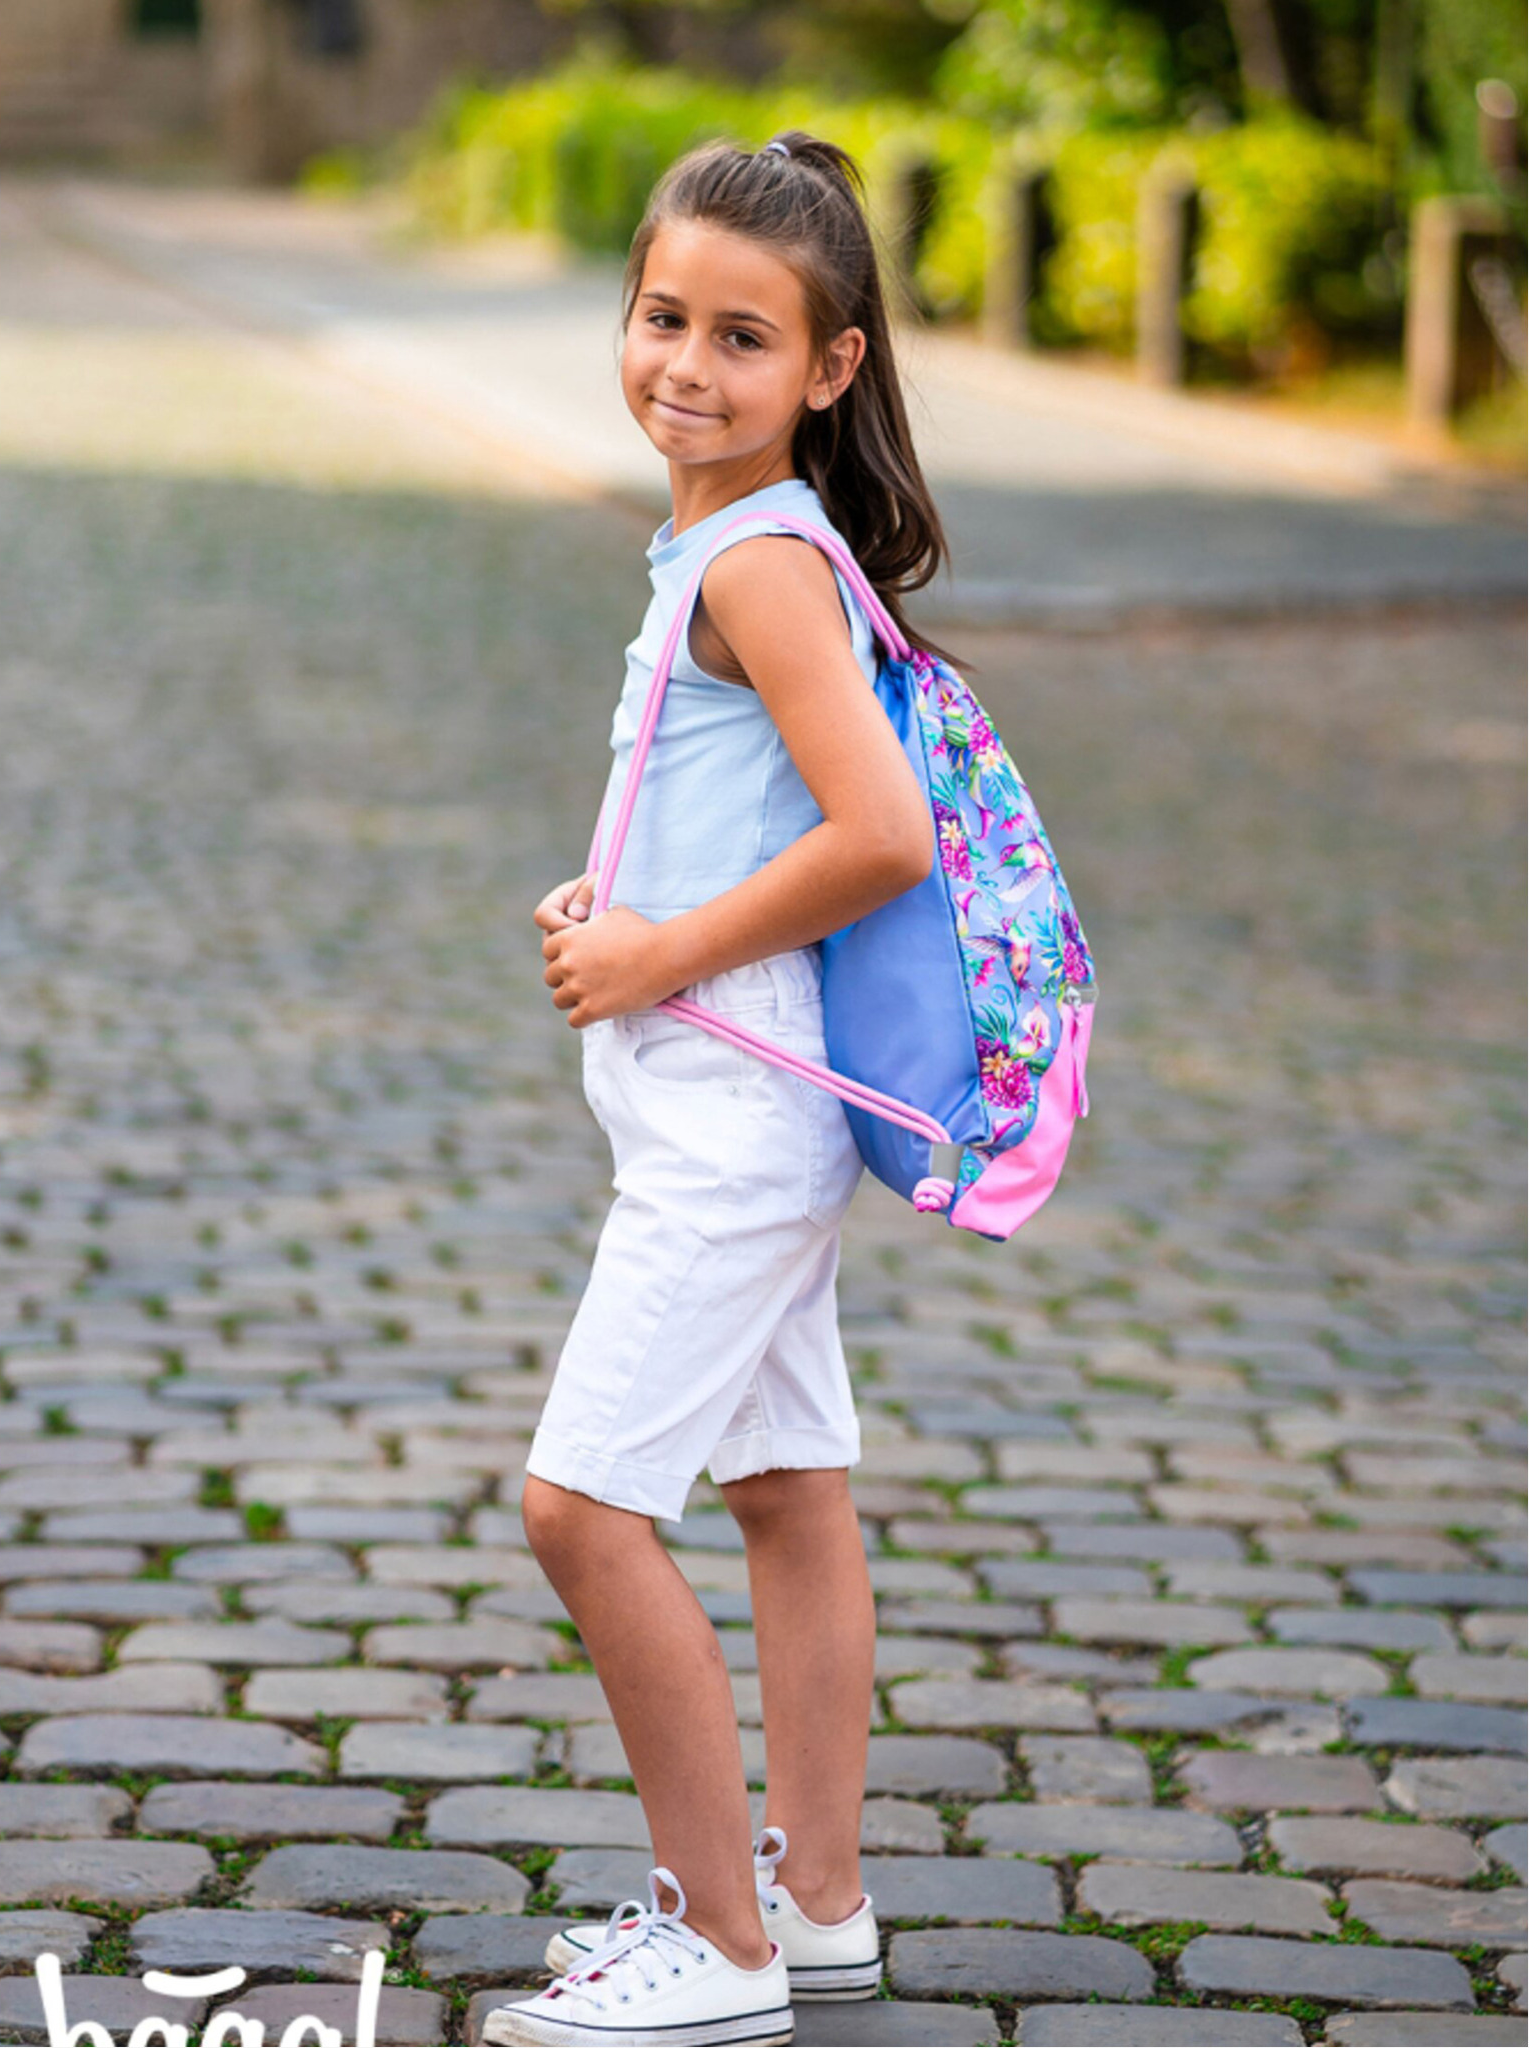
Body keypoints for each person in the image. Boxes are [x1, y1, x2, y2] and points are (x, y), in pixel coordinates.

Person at [483, 129, 948, 2048]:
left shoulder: (758, 561)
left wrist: (664, 953)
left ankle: (721, 1946)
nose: (687, 364)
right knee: (784, 1490)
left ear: (829, 368)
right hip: (727, 1077)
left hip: (734, 1101)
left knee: (582, 1509)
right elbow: (749, 809)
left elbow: (885, 833)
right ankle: (818, 1903)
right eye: (662, 316)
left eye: (743, 338)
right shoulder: (728, 547)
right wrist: (627, 902)